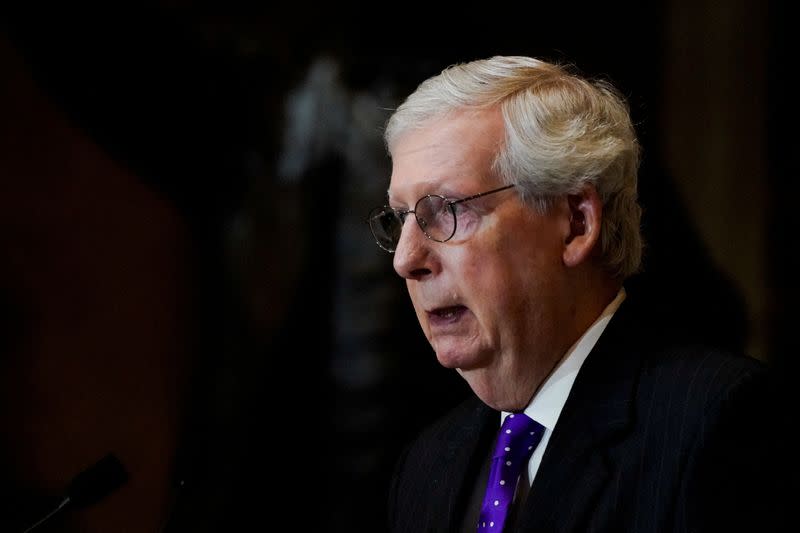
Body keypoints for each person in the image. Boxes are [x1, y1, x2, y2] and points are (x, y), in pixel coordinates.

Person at [367, 55, 788, 532]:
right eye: (400, 218)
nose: (406, 259)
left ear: (575, 224)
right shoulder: (429, 465)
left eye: (445, 210)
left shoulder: (714, 425)